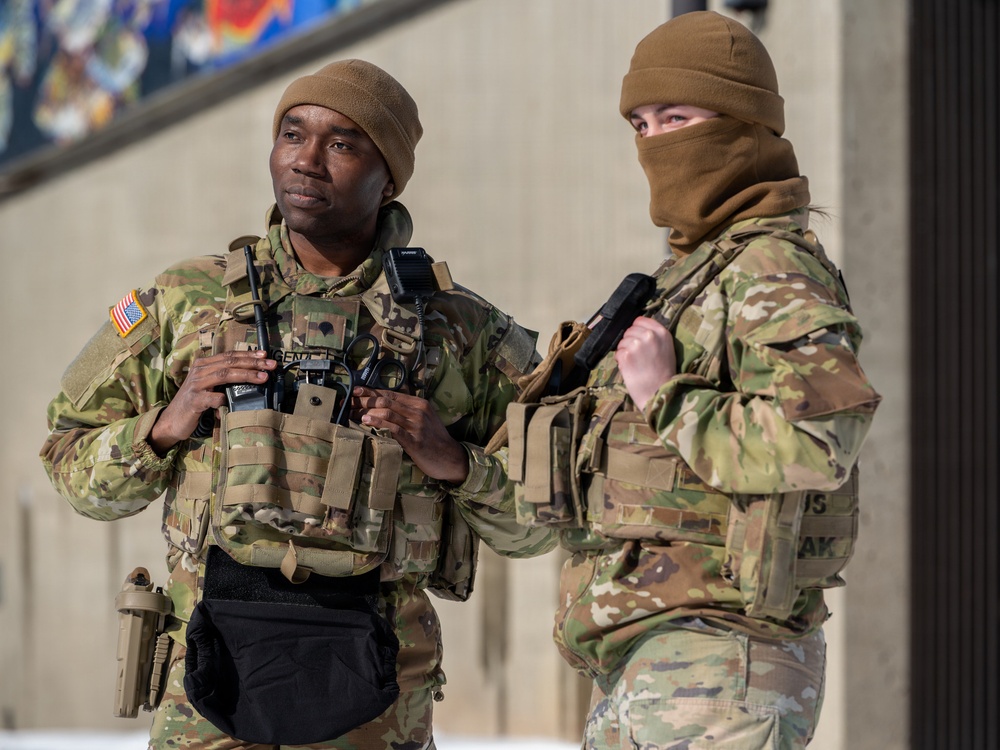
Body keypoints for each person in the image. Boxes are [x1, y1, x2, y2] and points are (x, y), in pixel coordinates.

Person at [40, 59, 554, 750]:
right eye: (292, 134)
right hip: (208, 689)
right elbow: (68, 462)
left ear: (390, 179)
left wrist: (456, 463)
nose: (306, 160)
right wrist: (163, 428)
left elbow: (542, 526)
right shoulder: (187, 300)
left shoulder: (460, 329)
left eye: (341, 143)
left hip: (376, 700)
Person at [503, 11, 881, 749]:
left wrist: (668, 398)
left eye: (676, 118)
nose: (655, 142)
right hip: (650, 659)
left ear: (743, 123)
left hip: (721, 659)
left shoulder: (770, 265)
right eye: (640, 124)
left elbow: (818, 438)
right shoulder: (691, 274)